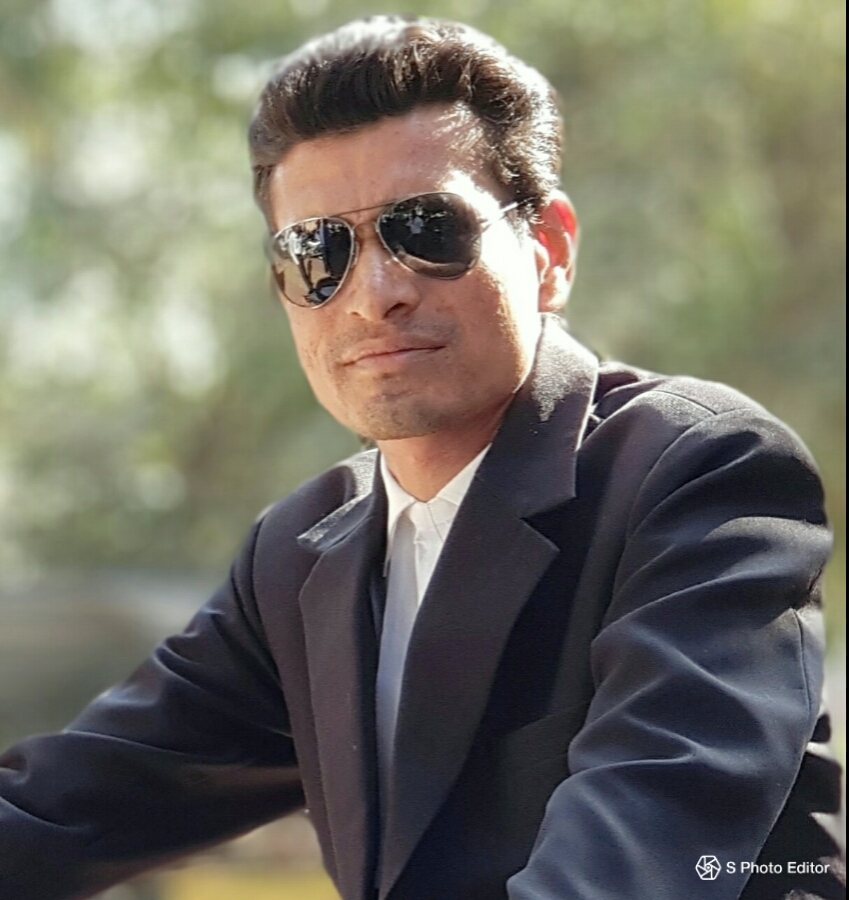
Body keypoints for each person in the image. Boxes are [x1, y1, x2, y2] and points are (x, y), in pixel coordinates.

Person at [0, 15, 844, 900]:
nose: (373, 296)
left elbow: (643, 852)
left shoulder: (696, 470)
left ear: (549, 251)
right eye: (317, 250)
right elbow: (64, 807)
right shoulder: (299, 554)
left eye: (428, 230)